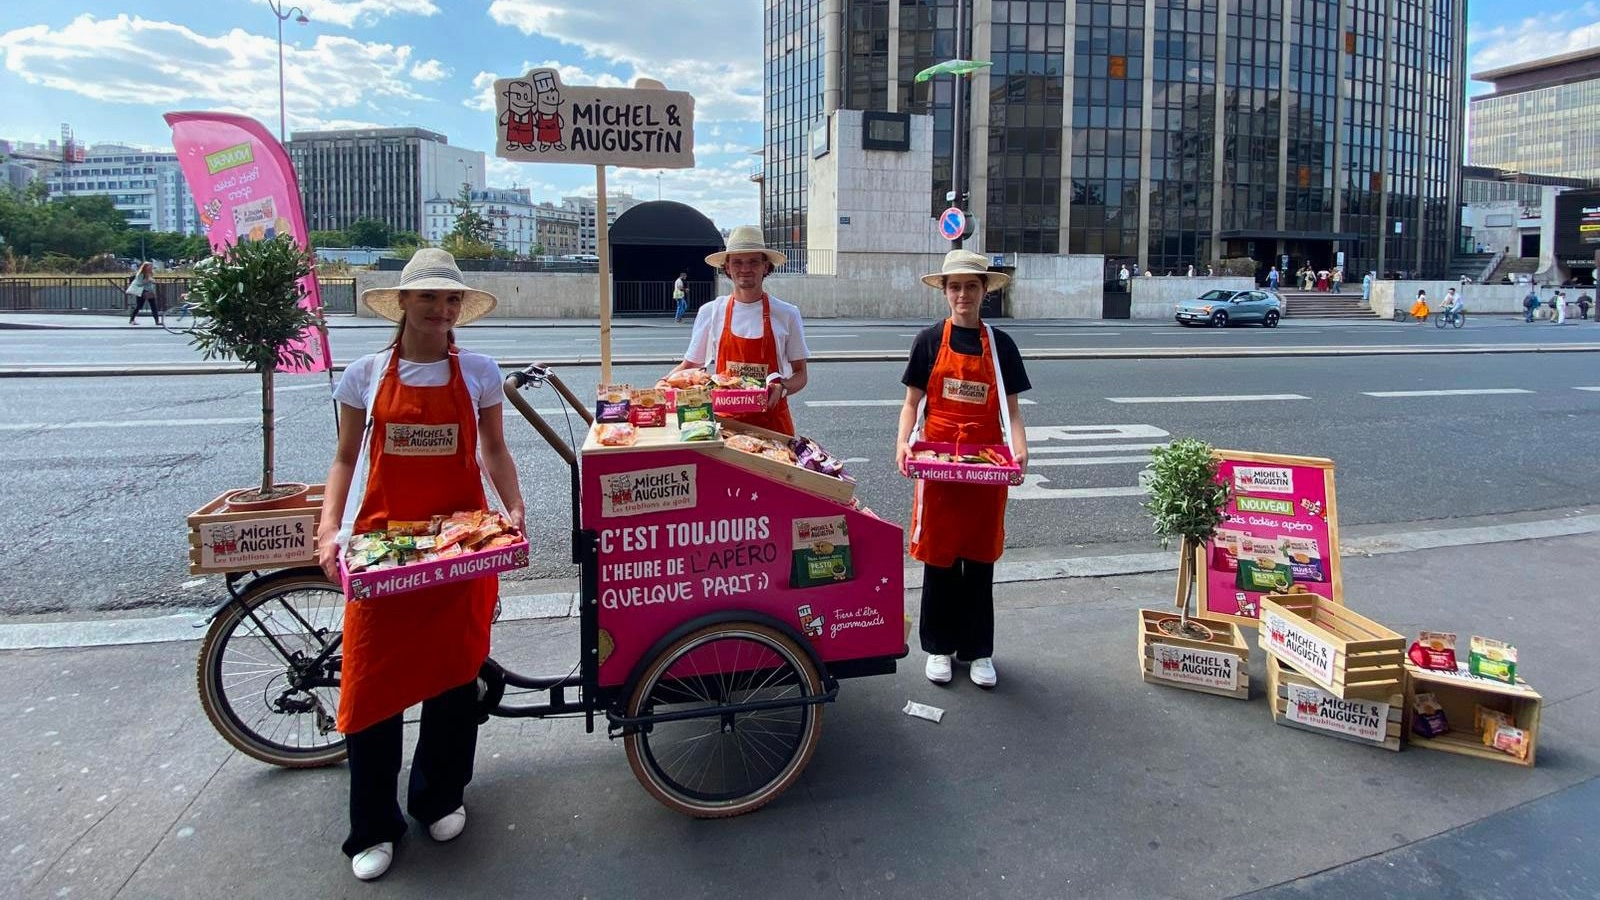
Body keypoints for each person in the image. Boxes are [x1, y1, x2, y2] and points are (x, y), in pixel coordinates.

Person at [315, 249, 525, 882]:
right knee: (372, 683)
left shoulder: (481, 373)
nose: (441, 310)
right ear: (402, 304)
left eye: (451, 300)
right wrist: (330, 528)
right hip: (385, 550)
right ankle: (374, 825)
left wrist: (513, 508)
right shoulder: (364, 377)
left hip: (459, 547)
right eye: (429, 298)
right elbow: (347, 459)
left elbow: (493, 449)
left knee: (454, 677)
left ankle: (440, 794)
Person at [896, 250, 1031, 690]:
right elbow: (913, 402)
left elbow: (1011, 409)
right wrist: (903, 442)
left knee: (979, 560)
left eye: (971, 286)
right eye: (955, 287)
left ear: (984, 291)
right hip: (938, 466)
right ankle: (938, 647)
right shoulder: (929, 340)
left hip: (985, 465)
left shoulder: (1001, 346)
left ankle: (977, 652)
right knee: (939, 559)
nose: (962, 294)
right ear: (945, 292)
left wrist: (1021, 450)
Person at [665, 226, 809, 434]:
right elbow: (691, 365)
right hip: (726, 426)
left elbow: (801, 373)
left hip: (773, 423)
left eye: (753, 261)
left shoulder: (787, 314)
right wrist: (662, 385)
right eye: (738, 262)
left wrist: (782, 388)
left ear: (765, 267)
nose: (745, 268)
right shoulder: (712, 312)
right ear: (727, 267)